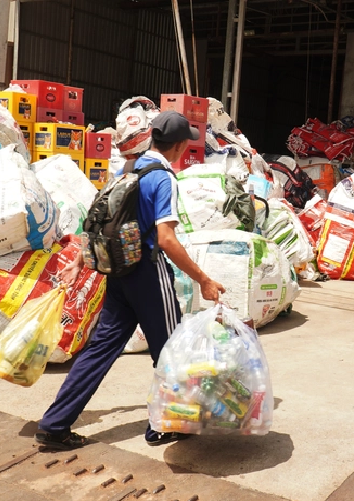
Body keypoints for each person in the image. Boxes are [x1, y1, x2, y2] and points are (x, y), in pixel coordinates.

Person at [35, 111, 226, 450]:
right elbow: (166, 239)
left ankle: (54, 425)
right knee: (171, 353)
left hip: (119, 273)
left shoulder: (129, 168)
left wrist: (81, 260)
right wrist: (203, 279)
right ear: (180, 145)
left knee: (101, 348)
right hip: (148, 274)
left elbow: (98, 219)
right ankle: (162, 426)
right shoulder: (163, 177)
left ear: (153, 138)